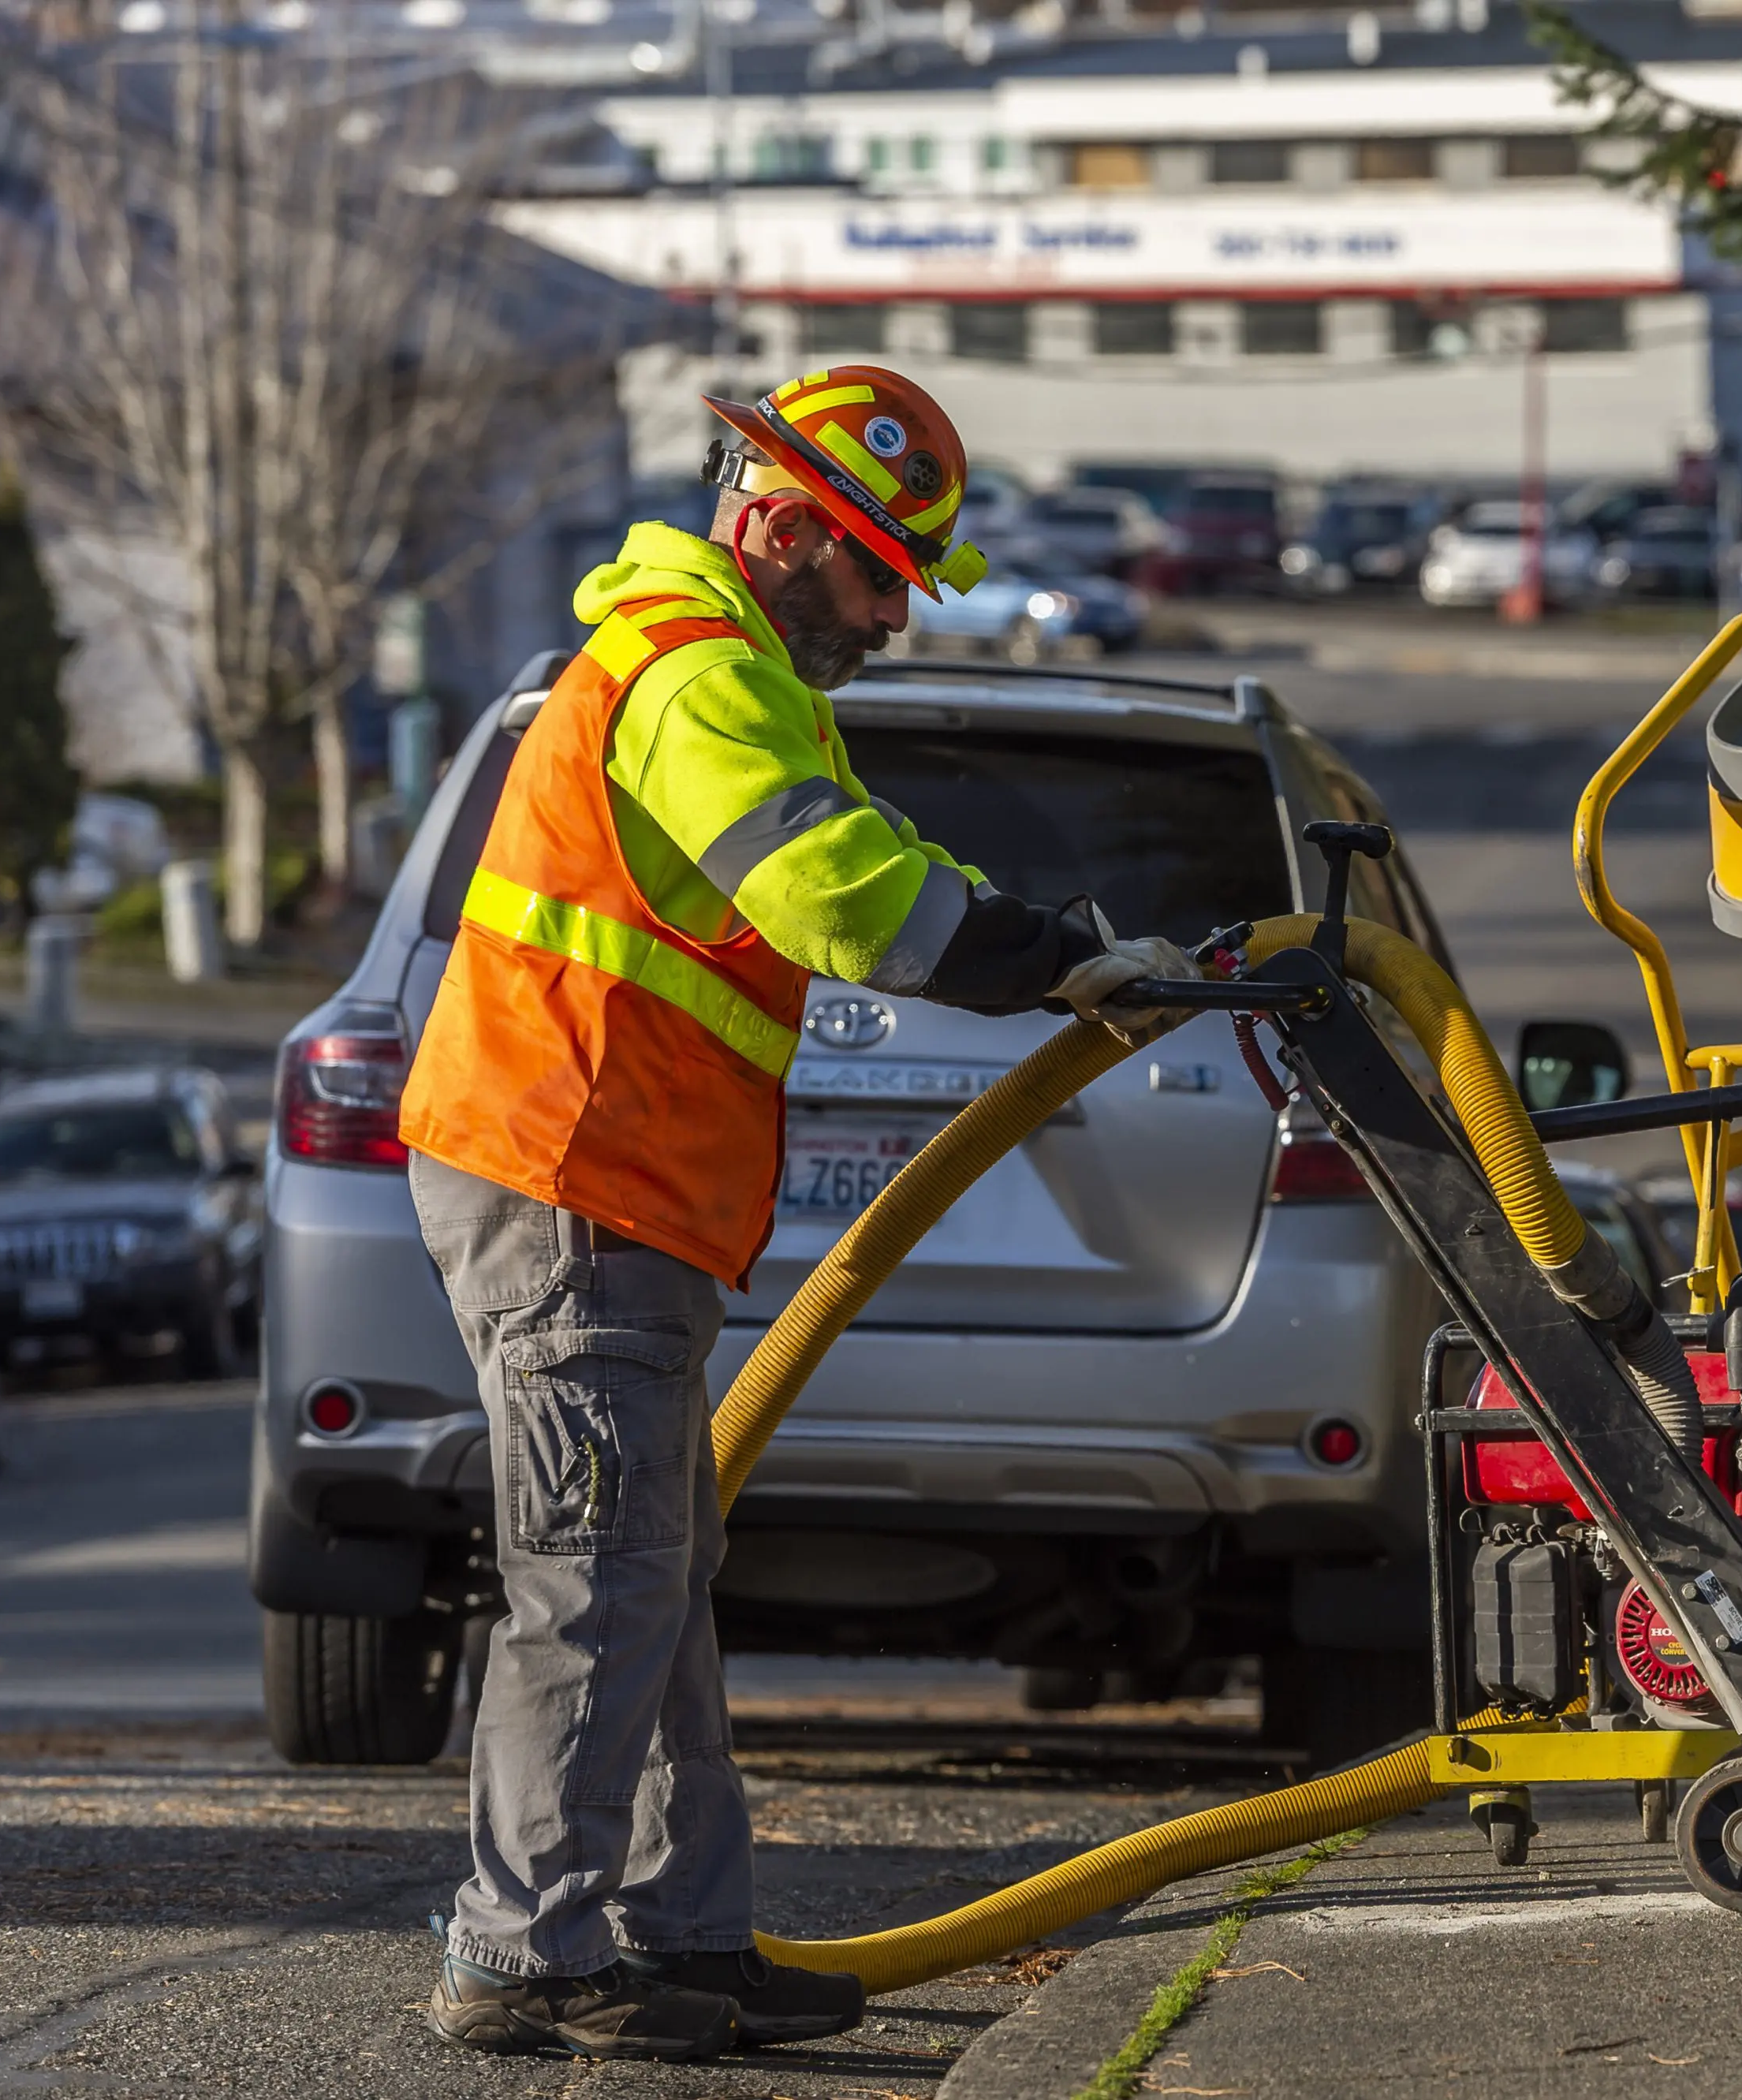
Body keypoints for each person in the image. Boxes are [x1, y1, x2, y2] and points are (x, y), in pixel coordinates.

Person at [401, 367, 1192, 2060]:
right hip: (573, 1176)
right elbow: (840, 892)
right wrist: (1046, 956)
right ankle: (522, 1948)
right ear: (772, 525)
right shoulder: (692, 679)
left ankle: (675, 1931)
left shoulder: (734, 671)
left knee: (650, 1571)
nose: (895, 615)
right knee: (598, 1575)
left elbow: (865, 845)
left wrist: (1043, 934)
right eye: (877, 570)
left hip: (619, 1184)